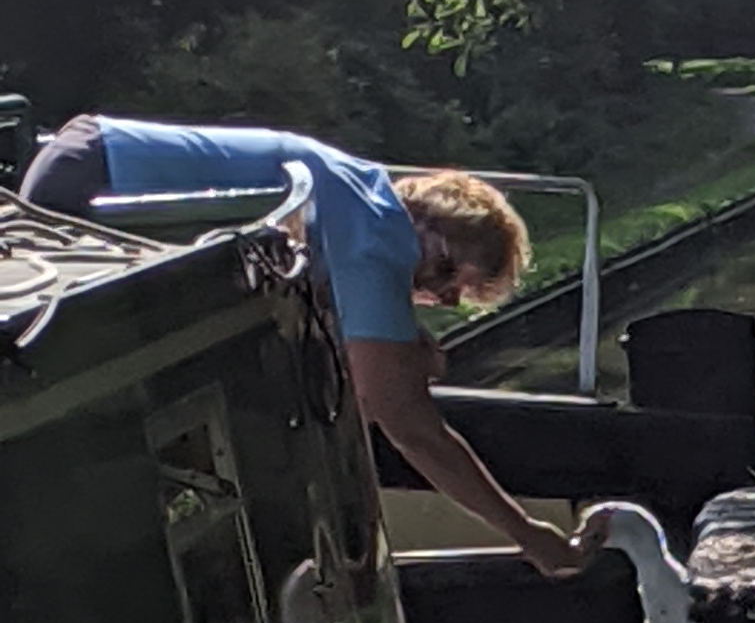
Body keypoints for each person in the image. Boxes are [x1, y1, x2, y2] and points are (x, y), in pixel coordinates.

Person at [20, 113, 597, 576]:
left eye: (453, 296)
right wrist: (526, 533)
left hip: (87, 156)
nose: (436, 291)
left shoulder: (363, 194)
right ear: (422, 217)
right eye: (446, 269)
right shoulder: (379, 238)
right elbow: (410, 426)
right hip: (92, 194)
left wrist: (400, 352)